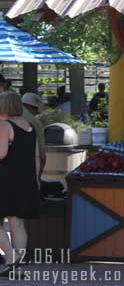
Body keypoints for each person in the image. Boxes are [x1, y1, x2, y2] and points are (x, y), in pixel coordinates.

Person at [0, 92, 39, 274]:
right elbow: (36, 156)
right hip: (26, 179)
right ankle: (16, 265)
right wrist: (36, 178)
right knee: (18, 224)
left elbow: (1, 154)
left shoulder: (4, 125)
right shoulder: (30, 127)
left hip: (6, 180)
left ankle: (10, 257)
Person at [21, 93, 45, 180]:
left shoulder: (6, 118)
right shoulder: (34, 121)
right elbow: (42, 155)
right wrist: (38, 178)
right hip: (26, 170)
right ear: (35, 108)